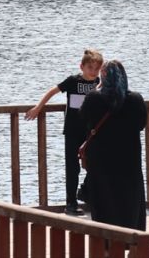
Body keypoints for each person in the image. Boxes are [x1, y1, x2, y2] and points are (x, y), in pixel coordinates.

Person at [25, 48, 103, 215]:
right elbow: (52, 91)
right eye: (90, 68)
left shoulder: (99, 84)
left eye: (97, 69)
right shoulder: (73, 81)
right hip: (73, 131)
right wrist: (38, 107)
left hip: (92, 132)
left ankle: (88, 194)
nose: (94, 72)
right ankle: (71, 204)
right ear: (81, 66)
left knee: (98, 163)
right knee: (72, 168)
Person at [79, 59, 148, 229]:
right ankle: (131, 239)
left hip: (101, 161)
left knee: (103, 201)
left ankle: (106, 245)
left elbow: (84, 120)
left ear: (103, 77)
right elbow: (141, 124)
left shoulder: (94, 98)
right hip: (129, 160)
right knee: (129, 200)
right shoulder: (135, 99)